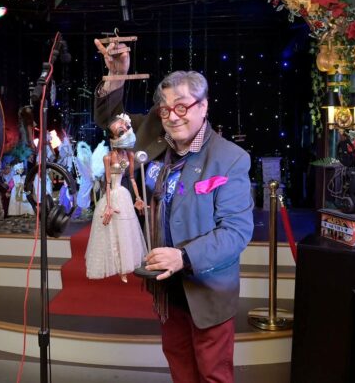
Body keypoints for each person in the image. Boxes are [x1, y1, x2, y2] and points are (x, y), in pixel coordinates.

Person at [93, 39, 255, 383]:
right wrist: (117, 75)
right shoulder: (154, 133)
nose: (172, 116)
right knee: (180, 366)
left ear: (203, 106)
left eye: (182, 107)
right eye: (165, 108)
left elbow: (236, 232)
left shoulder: (229, 158)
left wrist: (183, 256)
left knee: (212, 373)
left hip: (207, 288)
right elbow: (110, 119)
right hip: (167, 290)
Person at [85, 113, 147, 282]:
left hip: (124, 195)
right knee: (112, 231)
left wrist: (138, 197)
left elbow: (132, 178)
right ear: (112, 137)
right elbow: (107, 183)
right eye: (121, 132)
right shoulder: (108, 157)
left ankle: (125, 267)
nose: (126, 133)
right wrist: (109, 205)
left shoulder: (130, 156)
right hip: (113, 193)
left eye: (127, 128)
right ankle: (117, 264)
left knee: (126, 230)